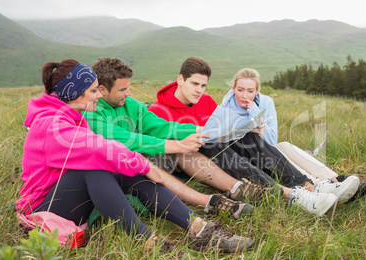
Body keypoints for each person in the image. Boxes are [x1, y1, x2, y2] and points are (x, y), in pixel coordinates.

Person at [15, 58, 254, 254]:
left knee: (120, 167)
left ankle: (199, 228)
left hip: (69, 197)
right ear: (75, 94)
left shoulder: (70, 116)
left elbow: (157, 129)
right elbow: (101, 148)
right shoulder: (53, 126)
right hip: (43, 209)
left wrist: (145, 163)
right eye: (91, 91)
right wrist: (145, 165)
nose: (97, 96)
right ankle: (148, 242)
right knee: (96, 167)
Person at [148, 57, 347, 217]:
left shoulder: (207, 101)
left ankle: (308, 187)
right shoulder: (158, 110)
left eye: (203, 85)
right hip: (198, 159)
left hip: (223, 148)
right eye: (194, 84)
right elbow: (163, 145)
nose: (199, 90)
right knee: (211, 145)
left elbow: (223, 126)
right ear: (180, 79)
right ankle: (292, 196)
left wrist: (246, 128)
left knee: (247, 137)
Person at [220, 68, 366, 202]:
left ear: (257, 90)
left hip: (267, 151)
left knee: (284, 145)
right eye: (240, 90)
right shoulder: (225, 107)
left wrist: (254, 111)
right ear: (233, 88)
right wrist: (249, 129)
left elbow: (271, 141)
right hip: (248, 158)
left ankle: (336, 180)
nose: (245, 96)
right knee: (270, 146)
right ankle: (319, 187)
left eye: (250, 91)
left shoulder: (266, 102)